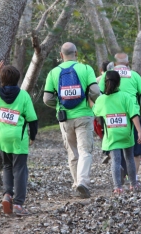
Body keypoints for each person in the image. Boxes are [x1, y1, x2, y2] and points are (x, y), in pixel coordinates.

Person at [43, 42, 100, 199]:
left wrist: (60, 104)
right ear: (76, 53)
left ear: (61, 55)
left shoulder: (53, 72)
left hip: (64, 118)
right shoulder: (86, 69)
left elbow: (47, 98)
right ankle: (83, 181)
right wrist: (95, 102)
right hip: (84, 115)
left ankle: (76, 183)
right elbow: (95, 91)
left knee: (72, 152)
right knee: (85, 150)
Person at [0, 61, 38, 216]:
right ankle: (18, 205)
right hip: (18, 138)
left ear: (2, 79)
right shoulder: (23, 96)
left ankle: (7, 195)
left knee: (7, 166)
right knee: (20, 169)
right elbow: (32, 119)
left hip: (1, 137)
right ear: (17, 79)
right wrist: (32, 136)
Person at [99, 53, 141, 182]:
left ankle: (120, 173)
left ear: (115, 64)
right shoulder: (135, 76)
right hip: (132, 115)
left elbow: (99, 95)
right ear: (128, 63)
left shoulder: (107, 76)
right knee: (135, 149)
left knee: (116, 145)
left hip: (111, 115)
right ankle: (133, 178)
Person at [89, 70, 141, 194]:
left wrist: (88, 100)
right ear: (119, 82)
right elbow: (134, 115)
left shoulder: (102, 99)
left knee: (116, 160)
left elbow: (95, 111)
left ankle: (118, 187)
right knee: (129, 158)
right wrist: (139, 132)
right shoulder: (126, 97)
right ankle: (133, 185)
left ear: (104, 83)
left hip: (111, 136)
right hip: (126, 134)